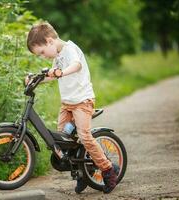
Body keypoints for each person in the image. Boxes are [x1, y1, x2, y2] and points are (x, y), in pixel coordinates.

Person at [26, 22, 118, 194]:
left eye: (42, 52)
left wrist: (61, 72)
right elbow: (52, 76)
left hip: (82, 102)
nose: (43, 56)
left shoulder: (70, 49)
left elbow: (76, 65)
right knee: (64, 141)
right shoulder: (56, 57)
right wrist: (35, 79)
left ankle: (108, 169)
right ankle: (83, 173)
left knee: (84, 135)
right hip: (67, 104)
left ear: (49, 41)